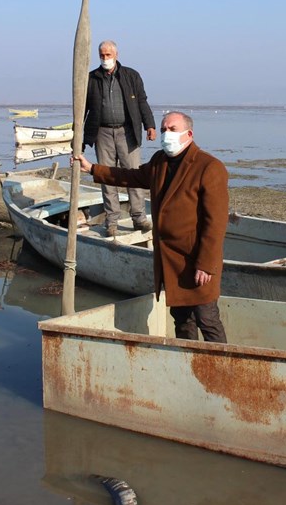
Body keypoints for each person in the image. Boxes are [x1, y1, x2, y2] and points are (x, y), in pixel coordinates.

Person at [74, 111, 229, 343]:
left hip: (196, 259)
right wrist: (93, 169)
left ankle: (222, 369)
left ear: (189, 134)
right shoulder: (160, 162)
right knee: (182, 319)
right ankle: (189, 362)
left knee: (207, 318)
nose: (167, 134)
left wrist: (206, 265)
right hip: (171, 260)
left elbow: (215, 224)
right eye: (164, 129)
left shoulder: (209, 167)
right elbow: (130, 177)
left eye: (173, 129)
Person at [83, 40, 157, 238]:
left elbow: (142, 101)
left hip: (128, 132)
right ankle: (112, 221)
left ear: (116, 54)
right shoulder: (91, 78)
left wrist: (149, 125)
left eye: (108, 55)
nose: (105, 58)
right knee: (107, 177)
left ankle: (139, 218)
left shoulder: (131, 75)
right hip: (102, 133)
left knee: (134, 175)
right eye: (102, 55)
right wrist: (78, 137)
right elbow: (82, 108)